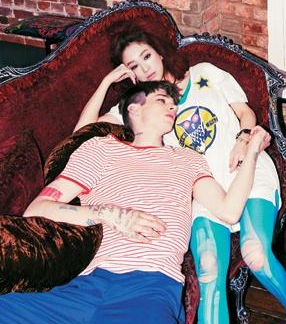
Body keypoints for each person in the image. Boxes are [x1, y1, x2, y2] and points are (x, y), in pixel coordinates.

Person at [75, 27, 286, 324]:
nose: (144, 68)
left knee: (256, 254)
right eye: (133, 65)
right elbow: (81, 135)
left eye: (146, 56)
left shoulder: (204, 73)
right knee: (209, 270)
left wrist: (243, 139)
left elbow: (245, 113)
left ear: (160, 53)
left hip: (245, 170)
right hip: (204, 189)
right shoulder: (140, 106)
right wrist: (106, 82)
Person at [0, 80, 271, 324]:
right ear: (134, 109)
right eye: (161, 100)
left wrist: (252, 152)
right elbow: (37, 209)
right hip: (83, 287)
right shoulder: (100, 148)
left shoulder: (188, 159)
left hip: (148, 286)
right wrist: (111, 214)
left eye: (173, 103)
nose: (172, 107)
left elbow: (229, 211)